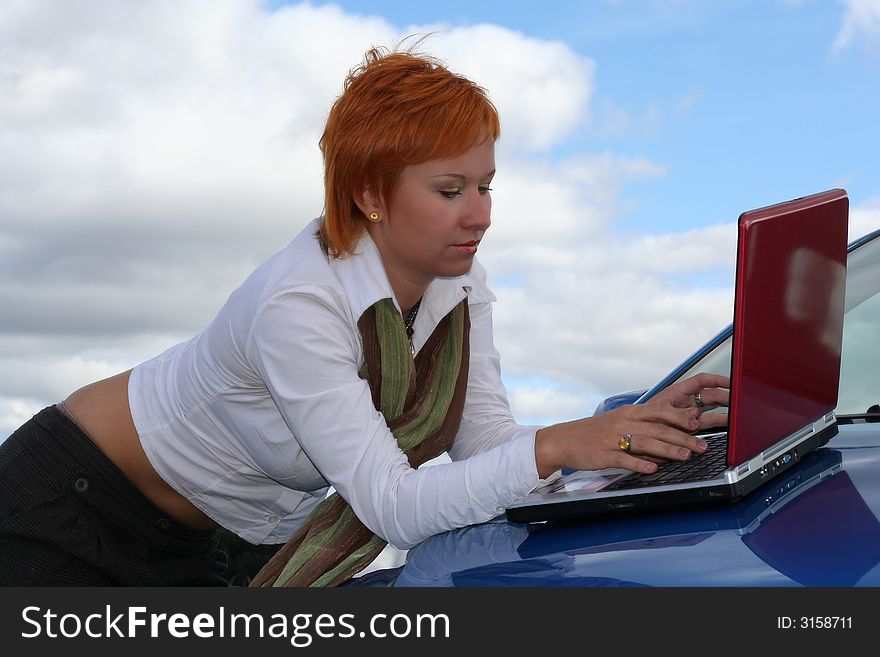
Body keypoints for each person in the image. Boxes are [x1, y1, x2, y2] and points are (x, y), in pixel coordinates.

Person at [0, 44, 729, 587]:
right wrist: (562, 446)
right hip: (66, 504)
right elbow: (394, 507)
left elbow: (487, 446)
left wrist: (627, 437)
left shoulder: (460, 288)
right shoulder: (301, 302)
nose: (480, 213)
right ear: (370, 195)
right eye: (450, 189)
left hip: (183, 533)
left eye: (486, 184)